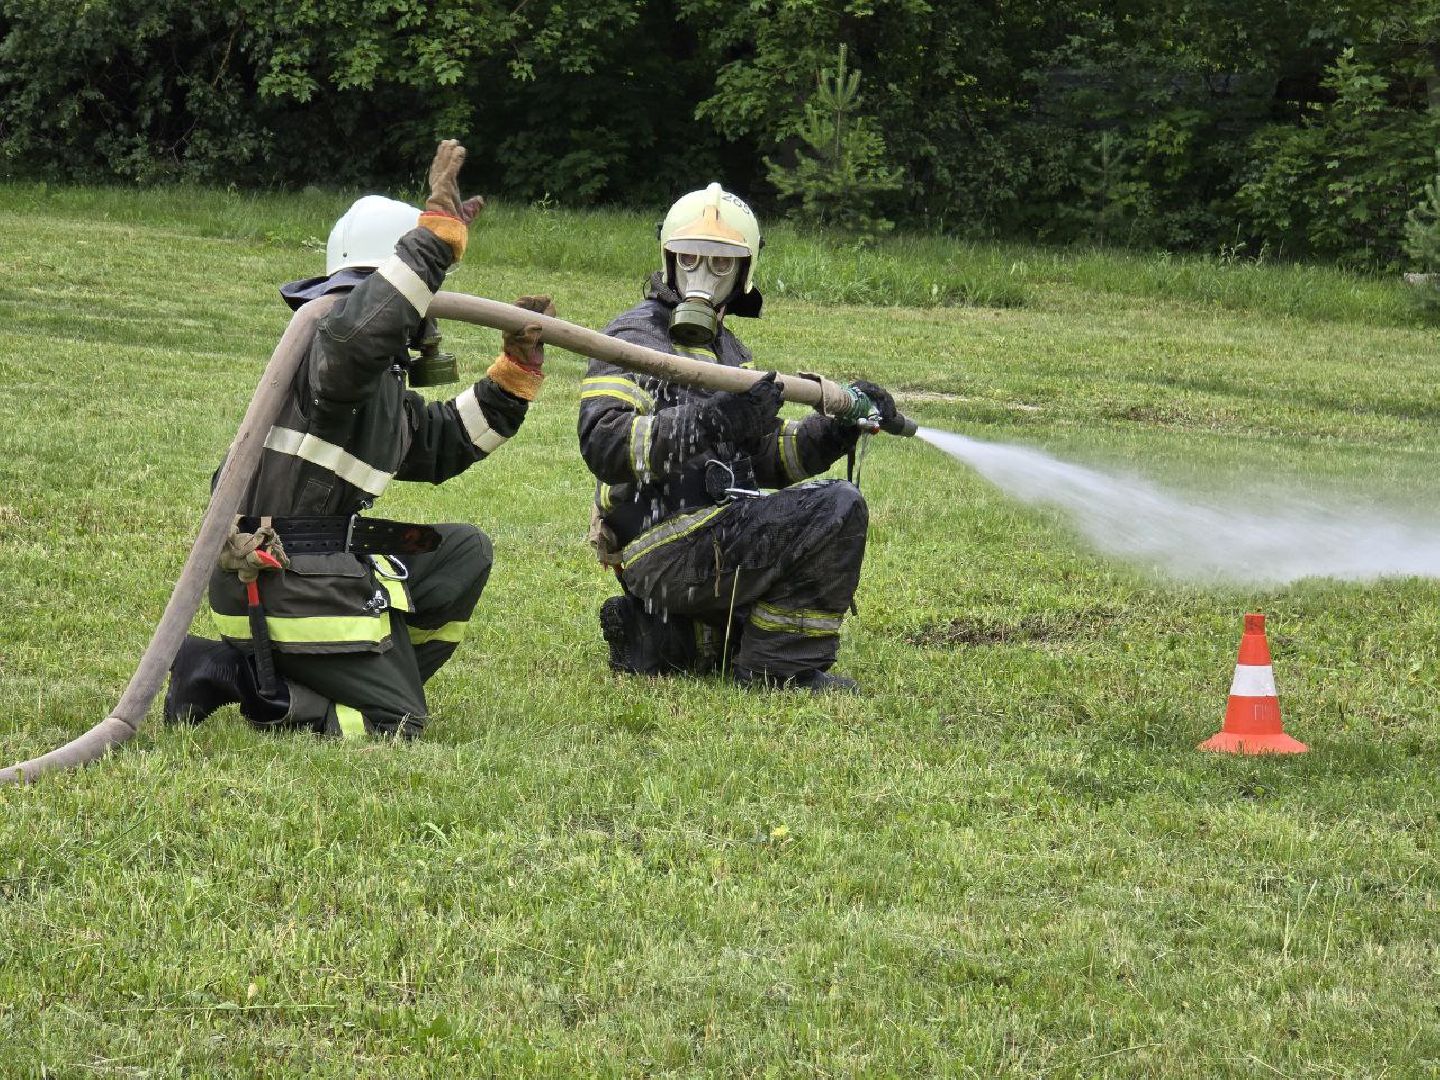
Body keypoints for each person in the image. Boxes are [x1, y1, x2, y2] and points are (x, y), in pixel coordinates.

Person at [165, 140, 554, 738]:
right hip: (274, 579)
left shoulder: (372, 391)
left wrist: (514, 375)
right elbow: (359, 336)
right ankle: (247, 682)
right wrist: (432, 244)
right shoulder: (332, 356)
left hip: (313, 573)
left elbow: (445, 440)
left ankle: (342, 676)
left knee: (460, 551)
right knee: (396, 724)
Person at [577, 182, 900, 693]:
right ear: (668, 260)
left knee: (755, 611)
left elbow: (768, 458)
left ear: (743, 271)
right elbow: (605, 443)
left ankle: (669, 640)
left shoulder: (729, 352)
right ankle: (779, 670)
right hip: (668, 542)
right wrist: (713, 421)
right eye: (689, 258)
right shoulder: (636, 338)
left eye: (721, 263)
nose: (702, 275)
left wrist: (835, 429)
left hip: (708, 538)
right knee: (838, 507)